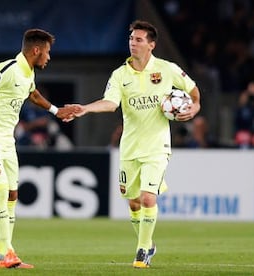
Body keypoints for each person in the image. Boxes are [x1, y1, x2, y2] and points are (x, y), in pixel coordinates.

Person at [65, 20, 201, 268]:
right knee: (134, 201)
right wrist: (85, 109)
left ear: (151, 44)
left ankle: (142, 252)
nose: (133, 43)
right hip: (129, 147)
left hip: (157, 147)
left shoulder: (167, 69)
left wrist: (195, 108)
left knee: (149, 198)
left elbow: (193, 92)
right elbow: (110, 103)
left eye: (138, 40)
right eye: (131, 39)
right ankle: (148, 243)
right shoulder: (120, 74)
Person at [0, 29, 77, 269]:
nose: (48, 57)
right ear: (36, 50)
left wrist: (56, 111)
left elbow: (32, 94)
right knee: (1, 190)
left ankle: (3, 254)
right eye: (47, 52)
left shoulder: (28, 72)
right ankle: (7, 254)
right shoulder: (8, 69)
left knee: (13, 194)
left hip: (7, 141)